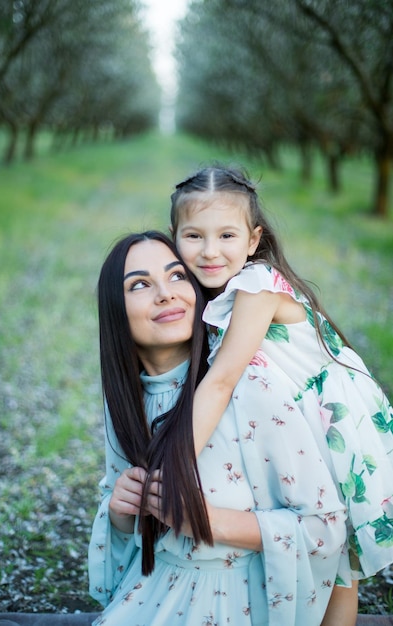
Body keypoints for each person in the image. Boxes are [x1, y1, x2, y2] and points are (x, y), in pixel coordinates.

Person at [169, 165, 393, 626]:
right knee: (331, 559)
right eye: (194, 236)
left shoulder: (256, 285)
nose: (210, 251)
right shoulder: (219, 289)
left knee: (337, 558)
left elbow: (223, 379)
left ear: (253, 240)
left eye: (226, 235)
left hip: (332, 420)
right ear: (175, 237)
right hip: (298, 421)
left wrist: (175, 464)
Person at [88, 230, 347, 626]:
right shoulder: (125, 401)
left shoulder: (251, 386)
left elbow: (326, 530)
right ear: (114, 310)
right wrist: (122, 511)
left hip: (240, 602)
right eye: (139, 284)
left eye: (177, 276)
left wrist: (208, 522)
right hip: (153, 594)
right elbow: (122, 531)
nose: (165, 293)